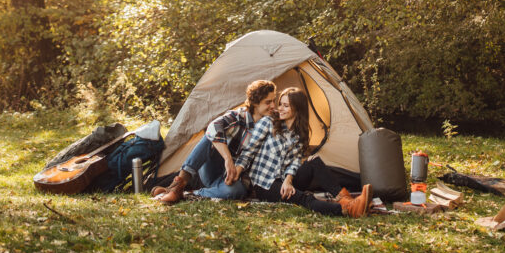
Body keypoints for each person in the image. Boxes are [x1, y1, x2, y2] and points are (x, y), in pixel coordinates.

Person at [234, 87, 371, 217]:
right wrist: (236, 175)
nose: (279, 108)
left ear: (297, 108)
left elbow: (295, 163)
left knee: (314, 162)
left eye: (286, 105)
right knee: (304, 198)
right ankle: (346, 210)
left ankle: (346, 199)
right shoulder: (268, 122)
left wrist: (288, 181)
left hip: (284, 179)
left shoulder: (299, 135)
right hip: (265, 184)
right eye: (280, 104)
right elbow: (248, 151)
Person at [154, 79, 277, 204]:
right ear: (255, 103)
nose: (273, 105)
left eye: (274, 101)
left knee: (236, 192)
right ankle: (178, 184)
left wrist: (235, 173)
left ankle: (187, 194)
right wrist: (228, 159)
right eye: (268, 102)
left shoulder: (270, 124)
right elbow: (213, 126)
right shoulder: (237, 117)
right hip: (212, 170)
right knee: (211, 134)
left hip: (233, 179)